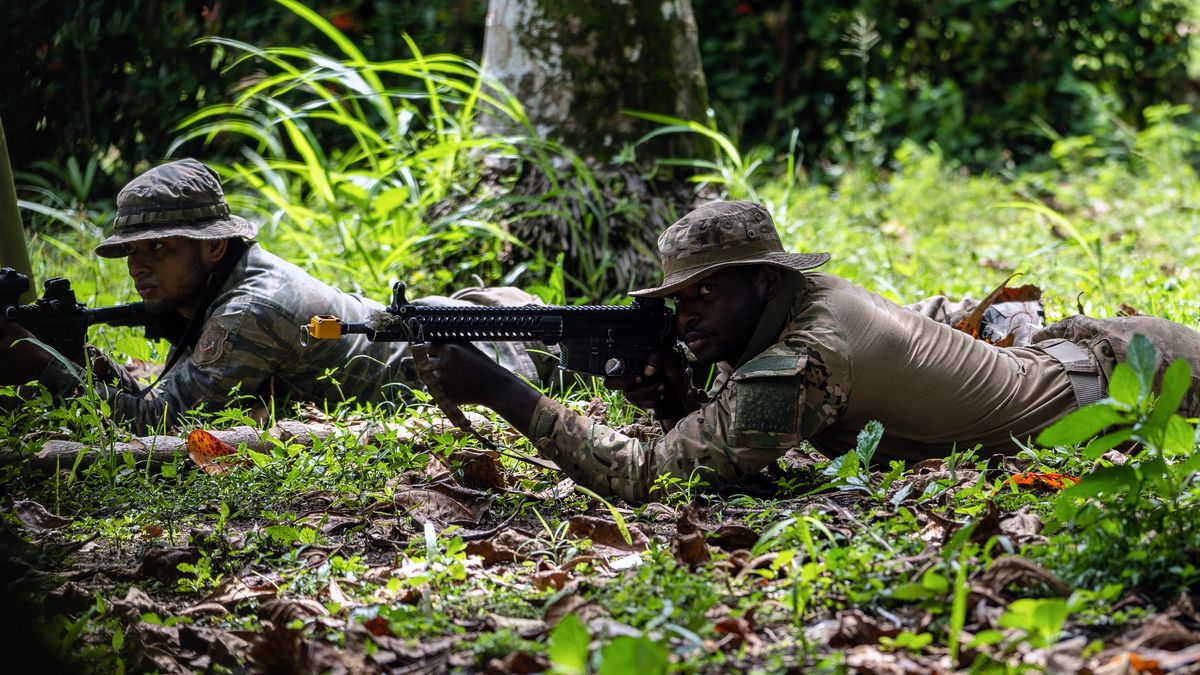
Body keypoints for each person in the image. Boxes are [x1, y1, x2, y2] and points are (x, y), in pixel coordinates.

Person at [426, 200, 1200, 504]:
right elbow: (729, 438)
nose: (687, 314)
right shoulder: (798, 305)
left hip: (1146, 381)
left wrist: (500, 390)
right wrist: (677, 402)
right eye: (678, 299)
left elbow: (646, 480)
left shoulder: (811, 354)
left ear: (763, 281)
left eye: (706, 295)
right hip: (1085, 358)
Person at [0, 158, 548, 434]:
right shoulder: (226, 288)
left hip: (510, 357)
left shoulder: (249, 309)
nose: (139, 266)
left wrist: (43, 364)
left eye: (159, 249)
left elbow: (149, 425)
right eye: (131, 253)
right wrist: (80, 359)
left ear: (214, 248)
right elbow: (158, 398)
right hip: (470, 330)